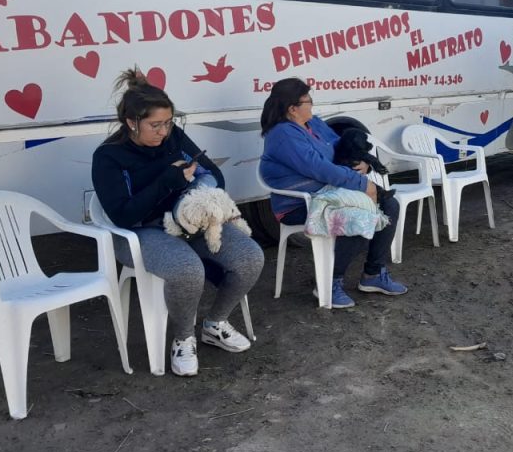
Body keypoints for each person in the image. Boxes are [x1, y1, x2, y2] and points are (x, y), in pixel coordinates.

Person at [92, 69, 263, 377]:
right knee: (187, 270)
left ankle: (215, 323)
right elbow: (123, 215)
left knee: (250, 257)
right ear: (131, 123)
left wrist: (197, 194)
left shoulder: (174, 138)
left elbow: (216, 176)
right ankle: (183, 338)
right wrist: (167, 182)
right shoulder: (109, 157)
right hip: (139, 231)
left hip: (186, 221)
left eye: (168, 123)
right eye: (155, 125)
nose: (163, 131)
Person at [259, 78, 407, 308]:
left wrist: (363, 162)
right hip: (298, 204)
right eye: (308, 101)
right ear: (292, 108)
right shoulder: (283, 135)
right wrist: (361, 183)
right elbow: (320, 168)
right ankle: (329, 283)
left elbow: (341, 145)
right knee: (357, 213)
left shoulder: (313, 123)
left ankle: (373, 274)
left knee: (390, 206)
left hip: (329, 193)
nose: (312, 105)